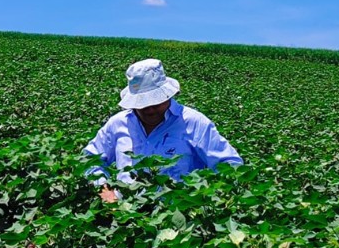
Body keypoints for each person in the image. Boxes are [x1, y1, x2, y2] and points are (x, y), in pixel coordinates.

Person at [84, 58, 242, 202]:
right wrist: (104, 189)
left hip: (179, 221)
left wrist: (207, 195)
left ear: (167, 95)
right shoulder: (118, 124)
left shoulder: (194, 123)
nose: (149, 110)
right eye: (142, 104)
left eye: (155, 103)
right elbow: (89, 160)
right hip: (123, 218)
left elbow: (230, 165)